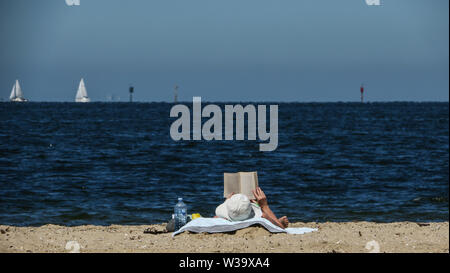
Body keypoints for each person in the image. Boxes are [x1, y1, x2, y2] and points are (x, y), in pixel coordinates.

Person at [215, 187, 289, 229]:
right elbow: (281, 228)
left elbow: (216, 217)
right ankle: (276, 221)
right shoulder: (263, 217)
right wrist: (264, 206)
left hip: (231, 218)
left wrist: (227, 202)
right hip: (257, 219)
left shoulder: (220, 218)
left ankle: (275, 221)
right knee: (272, 221)